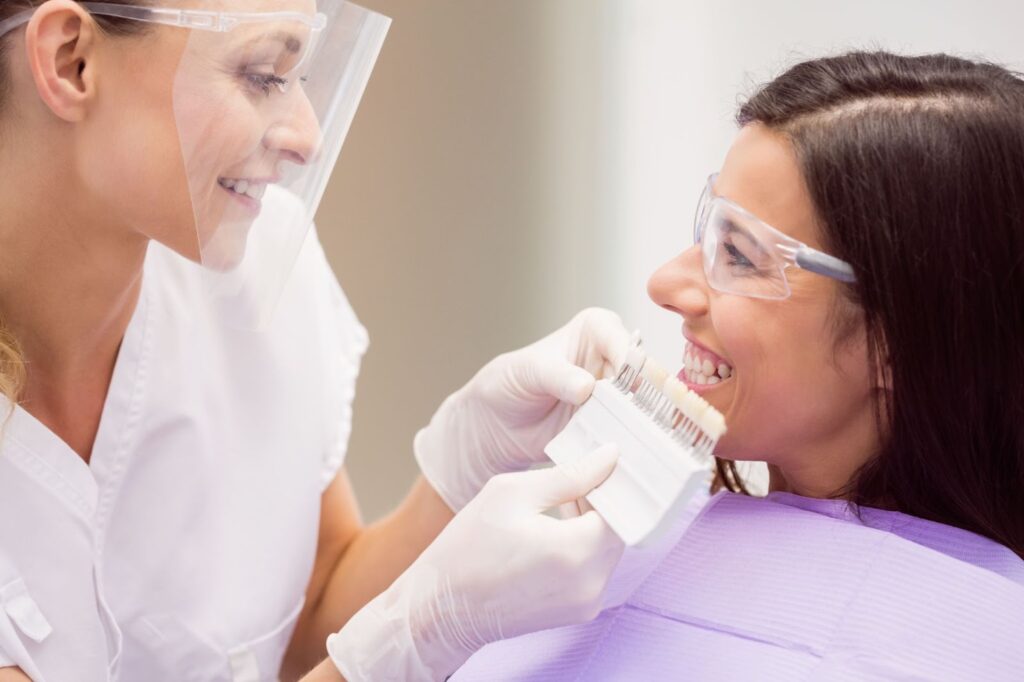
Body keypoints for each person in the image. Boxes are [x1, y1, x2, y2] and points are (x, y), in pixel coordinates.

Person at [0, 1, 632, 680]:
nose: (307, 136)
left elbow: (308, 618)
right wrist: (415, 636)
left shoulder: (260, 269)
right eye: (262, 73)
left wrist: (460, 470)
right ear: (72, 61)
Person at [451, 50, 1024, 681]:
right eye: (707, 228)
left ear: (899, 339)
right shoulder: (625, 551)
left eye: (741, 255)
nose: (666, 282)